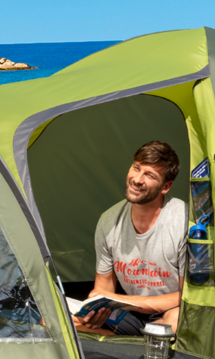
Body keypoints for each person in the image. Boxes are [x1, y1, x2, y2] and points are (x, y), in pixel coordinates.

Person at [74, 140, 186, 334]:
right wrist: (95, 311)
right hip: (131, 312)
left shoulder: (183, 222)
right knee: (57, 321)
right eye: (136, 168)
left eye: (149, 175)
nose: (137, 179)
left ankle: (129, 348)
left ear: (166, 186)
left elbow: (190, 297)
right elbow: (103, 289)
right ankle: (132, 348)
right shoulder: (109, 221)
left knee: (172, 322)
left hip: (173, 311)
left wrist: (132, 302)